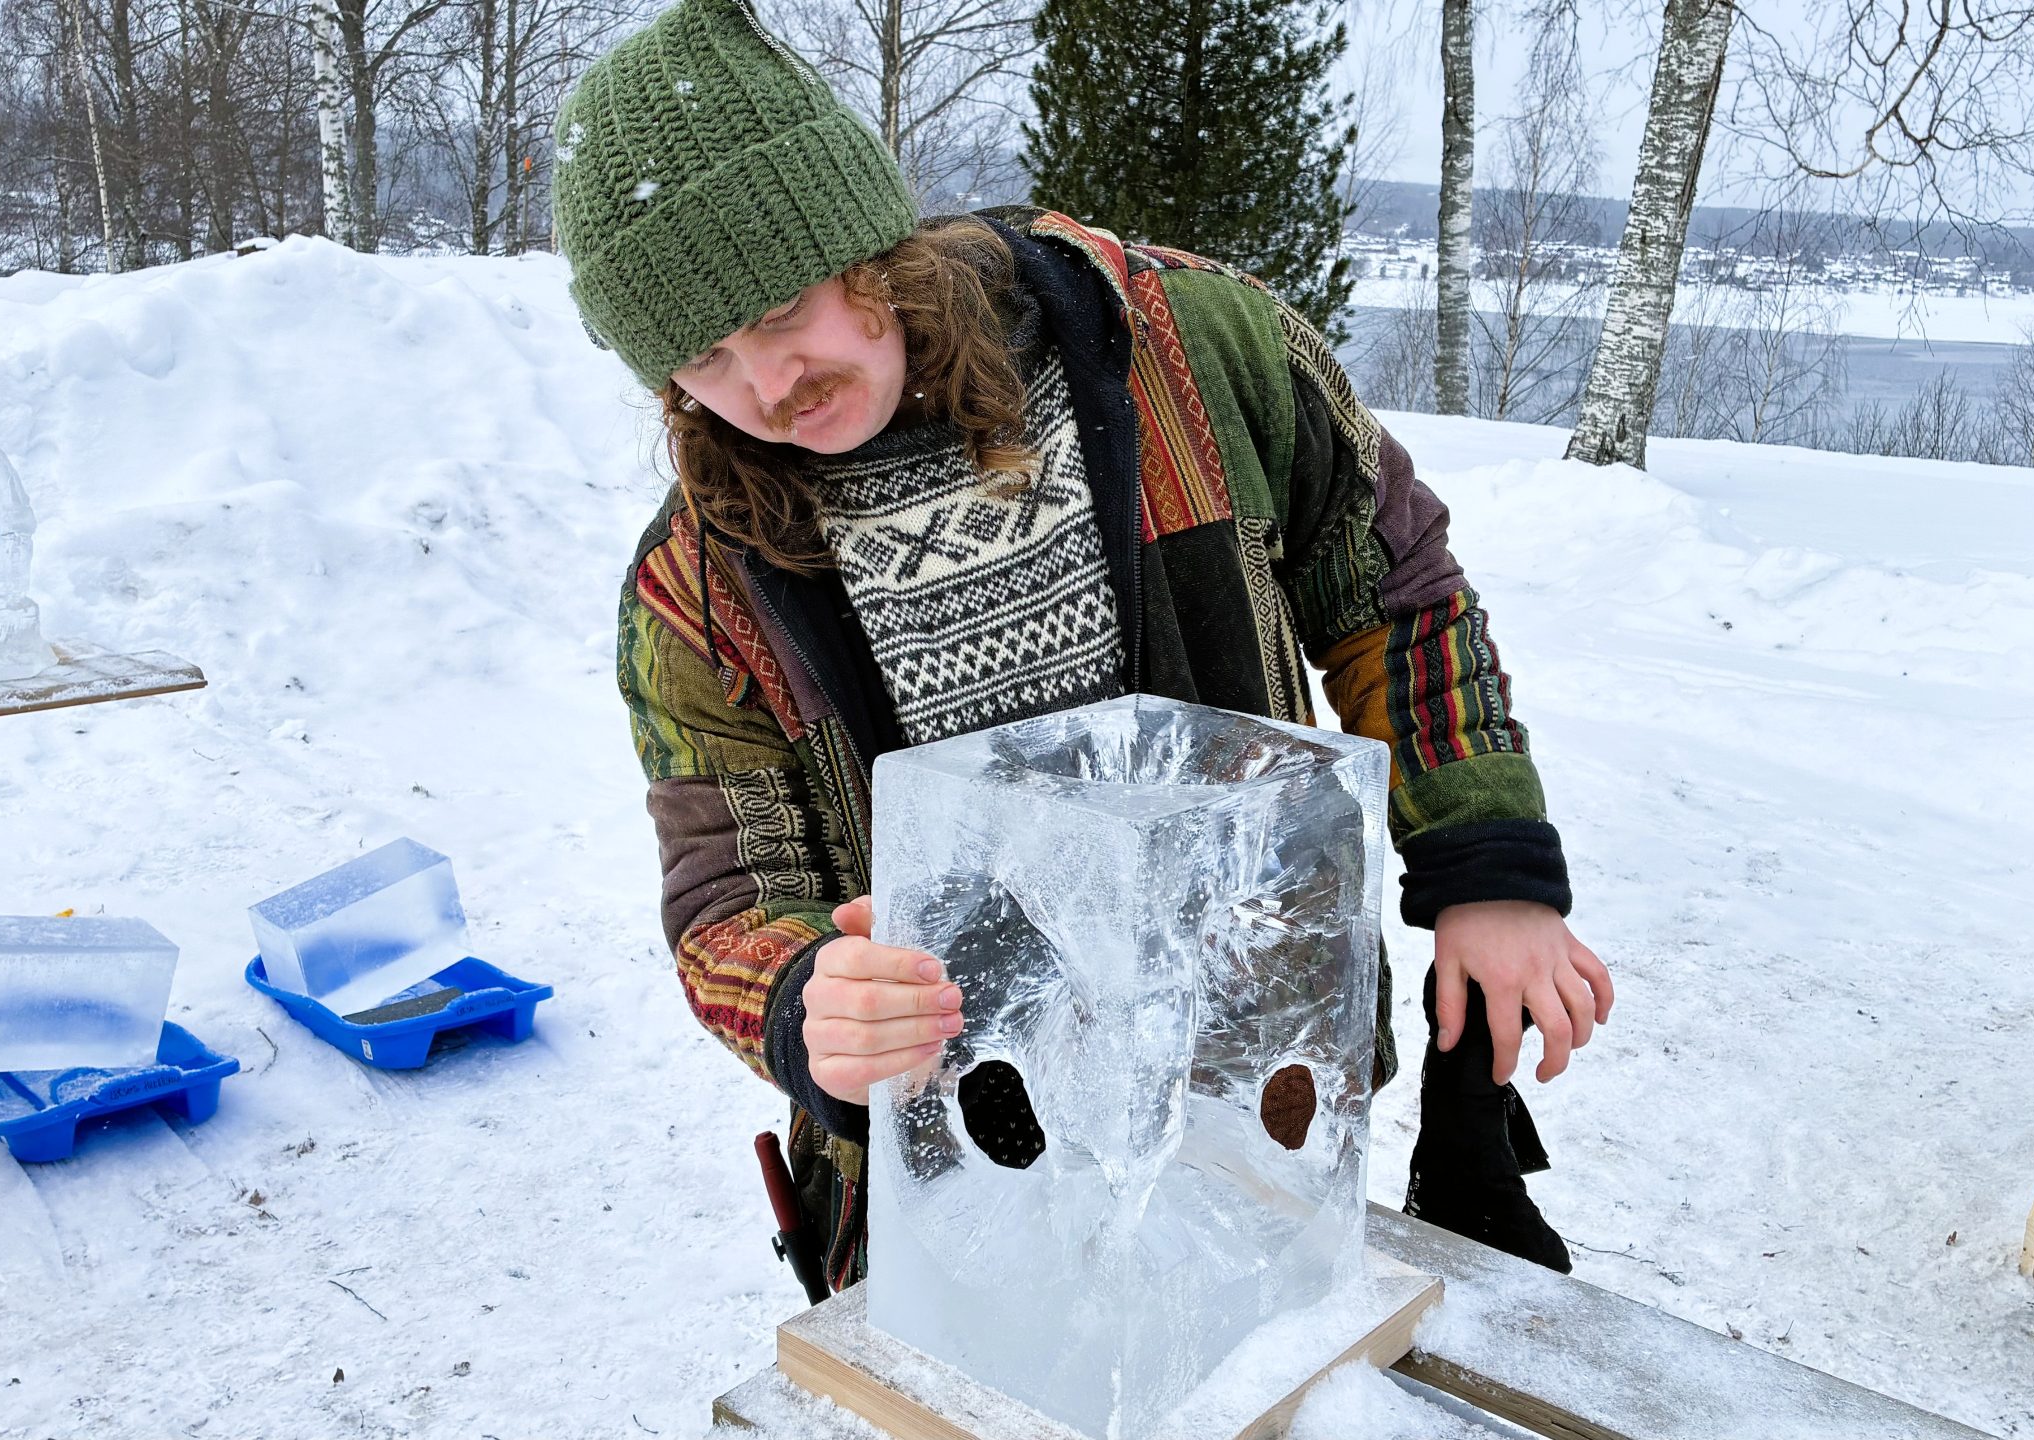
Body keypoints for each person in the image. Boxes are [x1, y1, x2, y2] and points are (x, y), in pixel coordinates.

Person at [560, 0, 1613, 1296]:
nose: (767, 383)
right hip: (961, 1165)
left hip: (1253, 1094)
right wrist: (804, 1004)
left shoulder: (1187, 349)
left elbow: (1389, 589)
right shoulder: (696, 591)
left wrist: (1482, 868)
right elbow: (727, 902)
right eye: (703, 359)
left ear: (863, 241)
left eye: (780, 309)